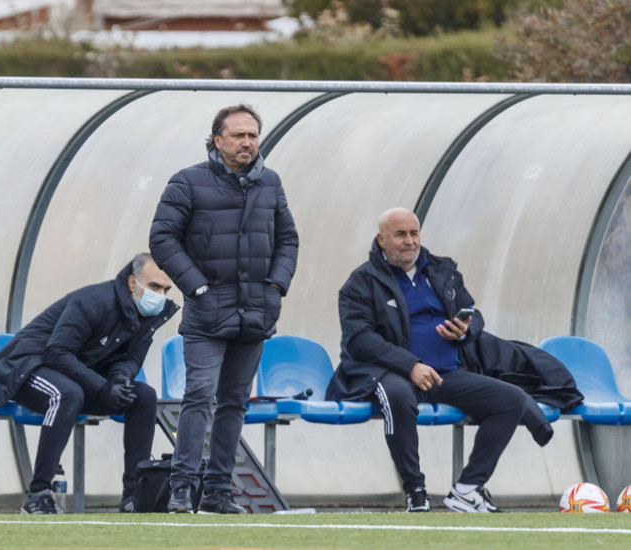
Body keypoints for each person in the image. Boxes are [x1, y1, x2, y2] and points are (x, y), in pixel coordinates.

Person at [327, 207, 561, 513]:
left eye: (414, 233)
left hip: (447, 373)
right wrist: (410, 365)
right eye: (400, 234)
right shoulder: (361, 282)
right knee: (396, 396)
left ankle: (466, 490)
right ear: (381, 240)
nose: (410, 241)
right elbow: (360, 339)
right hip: (393, 374)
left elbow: (472, 313)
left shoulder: (442, 270)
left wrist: (465, 330)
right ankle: (415, 490)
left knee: (512, 400)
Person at [149, 104, 299, 514]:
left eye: (252, 135)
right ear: (217, 140)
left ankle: (217, 492)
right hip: (206, 311)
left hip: (256, 311)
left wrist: (275, 286)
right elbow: (162, 239)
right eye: (238, 135)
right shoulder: (187, 182)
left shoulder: (270, 182)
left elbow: (288, 239)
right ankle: (182, 488)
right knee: (199, 395)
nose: (247, 142)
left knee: (235, 401)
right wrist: (195, 285)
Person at [0, 252, 178, 514]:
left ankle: (135, 496)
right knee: (67, 394)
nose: (160, 295)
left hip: (73, 375)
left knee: (144, 396)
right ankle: (37, 494)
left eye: (165, 289)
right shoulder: (93, 302)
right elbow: (56, 352)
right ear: (132, 283)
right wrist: (102, 387)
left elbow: (132, 358)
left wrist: (118, 380)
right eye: (154, 286)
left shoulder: (148, 314)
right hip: (26, 368)